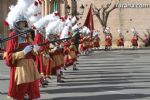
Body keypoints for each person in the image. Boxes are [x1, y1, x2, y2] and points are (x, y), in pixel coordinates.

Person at [3, 15, 41, 100]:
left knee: (30, 88)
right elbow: (9, 56)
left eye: (24, 23)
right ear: (16, 24)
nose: (22, 25)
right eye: (20, 23)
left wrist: (36, 49)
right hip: (20, 66)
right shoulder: (13, 35)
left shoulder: (27, 34)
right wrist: (23, 52)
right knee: (21, 89)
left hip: (30, 65)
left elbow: (33, 53)